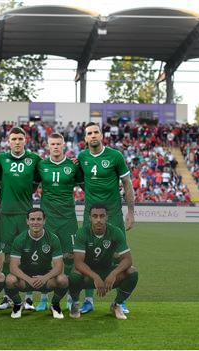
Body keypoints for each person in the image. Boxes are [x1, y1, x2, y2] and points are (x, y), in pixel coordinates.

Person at [77, 122, 135, 314]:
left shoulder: (115, 156)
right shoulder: (82, 157)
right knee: (87, 256)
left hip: (114, 214)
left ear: (101, 135)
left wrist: (131, 212)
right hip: (90, 215)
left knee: (120, 257)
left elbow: (127, 184)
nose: (93, 135)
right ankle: (88, 300)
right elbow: (78, 179)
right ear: (85, 138)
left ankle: (119, 302)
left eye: (96, 132)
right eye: (89, 133)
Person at [0, 127, 42, 310]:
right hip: (6, 214)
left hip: (25, 215)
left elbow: (38, 181)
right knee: (7, 257)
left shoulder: (34, 160)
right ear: (9, 141)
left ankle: (29, 297)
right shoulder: (1, 159)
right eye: (13, 138)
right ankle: (8, 296)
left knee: (28, 256)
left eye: (20, 138)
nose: (17, 142)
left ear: (25, 140)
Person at [36, 133, 83, 311]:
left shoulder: (72, 165)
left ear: (64, 145)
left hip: (68, 218)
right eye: (52, 144)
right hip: (48, 218)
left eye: (58, 144)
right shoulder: (41, 165)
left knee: (70, 257)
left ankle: (71, 296)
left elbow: (85, 185)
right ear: (48, 146)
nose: (55, 147)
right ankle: (43, 296)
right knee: (45, 256)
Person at [68, 203, 138, 320]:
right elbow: (78, 263)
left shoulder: (115, 232)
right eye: (95, 216)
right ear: (90, 218)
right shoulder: (82, 232)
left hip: (107, 271)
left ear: (107, 217)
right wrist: (95, 277)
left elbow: (128, 259)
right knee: (74, 275)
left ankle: (116, 305)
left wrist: (113, 274)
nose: (98, 220)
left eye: (102, 216)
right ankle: (75, 304)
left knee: (132, 272)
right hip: (88, 274)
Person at [5, 208, 69, 319]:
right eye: (32, 219)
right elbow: (13, 267)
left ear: (44, 221)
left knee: (63, 280)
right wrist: (28, 279)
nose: (35, 222)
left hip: (46, 279)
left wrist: (44, 278)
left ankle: (54, 304)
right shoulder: (19, 239)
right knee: (9, 280)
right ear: (27, 221)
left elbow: (59, 267)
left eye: (39, 219)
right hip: (25, 279)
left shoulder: (53, 239)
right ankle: (18, 304)